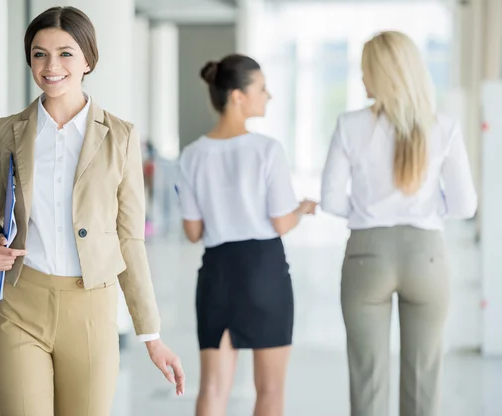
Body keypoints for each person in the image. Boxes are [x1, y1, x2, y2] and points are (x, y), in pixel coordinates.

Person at [0, 6, 184, 416]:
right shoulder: (8, 131)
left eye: (65, 53)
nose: (51, 66)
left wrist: (151, 335)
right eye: (39, 54)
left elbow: (130, 238)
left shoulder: (120, 137)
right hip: (18, 306)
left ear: (88, 60)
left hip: (91, 312)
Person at [320, 31, 477, 416]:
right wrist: (427, 209)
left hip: (365, 256)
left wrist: (367, 211)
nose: (360, 80)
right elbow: (465, 205)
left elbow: (330, 200)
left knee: (367, 379)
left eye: (364, 71)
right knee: (424, 380)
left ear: (382, 74)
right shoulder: (444, 127)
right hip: (426, 257)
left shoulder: (349, 125)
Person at [176, 54, 317, 416]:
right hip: (264, 272)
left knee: (212, 389)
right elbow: (281, 222)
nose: (268, 95)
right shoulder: (268, 150)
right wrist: (302, 208)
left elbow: (193, 232)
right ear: (238, 95)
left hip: (217, 273)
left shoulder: (191, 156)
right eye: (262, 88)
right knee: (269, 391)